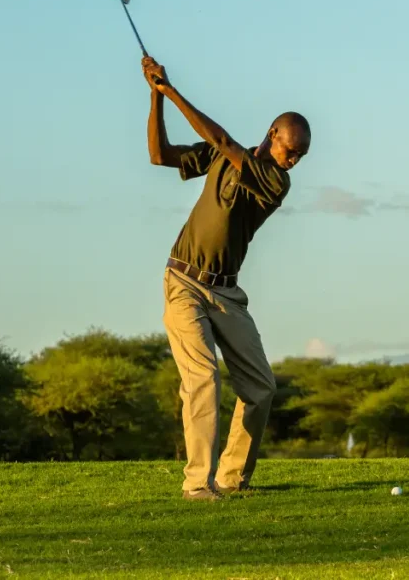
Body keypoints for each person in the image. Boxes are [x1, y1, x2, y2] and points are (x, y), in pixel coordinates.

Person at [141, 56, 310, 501]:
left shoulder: (275, 181)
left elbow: (221, 138)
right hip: (183, 282)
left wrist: (171, 90)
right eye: (289, 149)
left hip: (226, 293)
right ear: (273, 134)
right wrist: (155, 98)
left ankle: (233, 478)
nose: (293, 161)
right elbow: (160, 155)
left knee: (261, 387)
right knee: (202, 378)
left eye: (299, 156)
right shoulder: (222, 154)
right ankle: (198, 483)